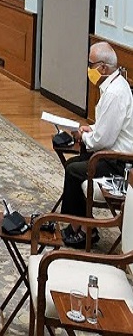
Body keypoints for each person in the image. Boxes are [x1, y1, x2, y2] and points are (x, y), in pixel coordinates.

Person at [59, 42, 133, 248]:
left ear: (103, 67)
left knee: (74, 170)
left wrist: (84, 137)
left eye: (90, 64)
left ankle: (81, 230)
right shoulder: (114, 85)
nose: (88, 69)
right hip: (109, 152)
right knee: (75, 164)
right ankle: (82, 227)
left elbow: (104, 140)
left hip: (119, 161)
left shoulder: (114, 93)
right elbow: (106, 127)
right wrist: (90, 128)